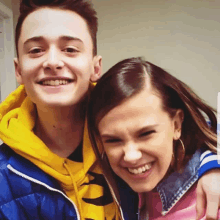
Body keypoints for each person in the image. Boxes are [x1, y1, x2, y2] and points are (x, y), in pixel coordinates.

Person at [0, 0, 219, 219]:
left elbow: (196, 129)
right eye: (36, 50)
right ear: (18, 70)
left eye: (70, 49)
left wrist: (212, 165)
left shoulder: (121, 117)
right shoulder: (4, 178)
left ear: (96, 67)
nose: (53, 62)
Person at [87, 57, 220, 220]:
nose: (131, 156)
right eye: (113, 140)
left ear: (177, 125)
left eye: (145, 134)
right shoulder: (114, 188)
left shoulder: (211, 202)